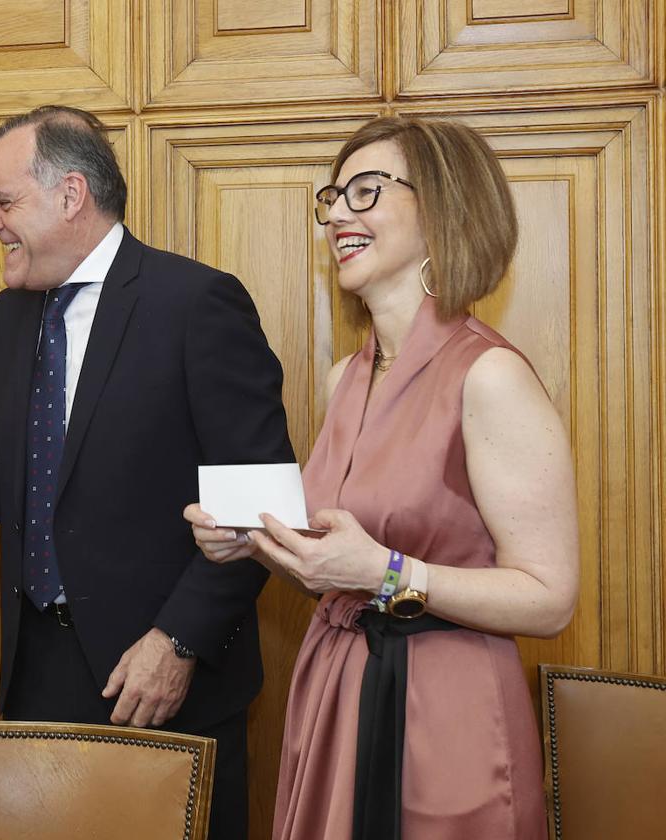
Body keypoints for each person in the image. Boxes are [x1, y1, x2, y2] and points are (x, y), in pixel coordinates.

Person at [0, 105, 293, 840]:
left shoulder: (195, 303)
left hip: (162, 676)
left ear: (70, 196)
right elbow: (8, 468)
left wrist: (177, 643)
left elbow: (258, 508)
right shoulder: (11, 315)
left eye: (3, 202)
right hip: (38, 668)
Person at [187, 115, 579, 839]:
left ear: (442, 209)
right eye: (333, 196)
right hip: (337, 688)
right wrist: (257, 545)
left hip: (445, 706)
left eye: (365, 192)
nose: (336, 213)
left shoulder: (487, 375)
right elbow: (335, 563)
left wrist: (389, 571)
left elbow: (550, 600)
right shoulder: (346, 377)